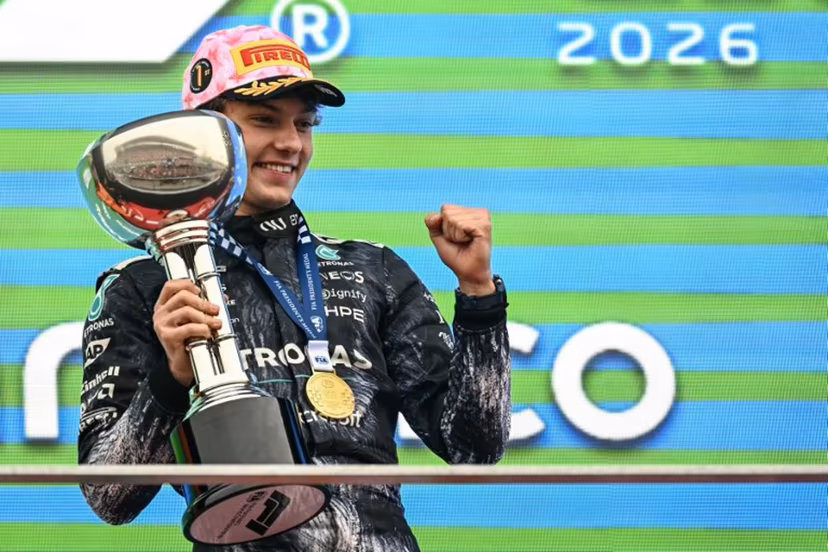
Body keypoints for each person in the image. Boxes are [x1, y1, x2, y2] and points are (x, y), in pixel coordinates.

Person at [78, 25, 511, 551]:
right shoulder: (144, 287)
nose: (290, 143)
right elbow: (109, 497)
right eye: (264, 120)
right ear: (202, 134)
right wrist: (170, 381)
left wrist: (478, 297)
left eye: (305, 124)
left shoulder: (372, 270)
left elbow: (474, 447)